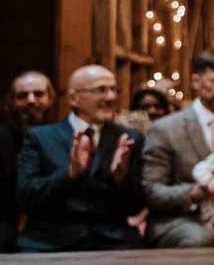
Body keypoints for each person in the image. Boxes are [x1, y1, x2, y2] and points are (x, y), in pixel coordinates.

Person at [16, 65, 143, 252]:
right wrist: (69, 174)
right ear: (74, 98)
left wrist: (120, 178)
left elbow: (135, 207)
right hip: (50, 242)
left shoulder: (129, 139)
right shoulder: (40, 137)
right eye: (101, 90)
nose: (111, 97)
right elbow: (26, 197)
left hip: (112, 242)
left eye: (114, 89)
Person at [142, 47, 214, 247]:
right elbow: (151, 191)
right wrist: (197, 191)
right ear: (196, 82)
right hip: (183, 218)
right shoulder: (165, 129)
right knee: (200, 240)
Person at [1, 71, 55, 252]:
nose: (31, 101)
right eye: (22, 96)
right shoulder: (3, 138)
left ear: (51, 99)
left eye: (39, 94)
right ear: (11, 102)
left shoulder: (65, 135)